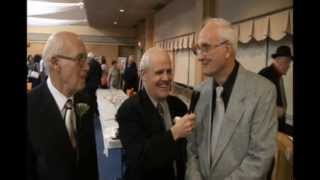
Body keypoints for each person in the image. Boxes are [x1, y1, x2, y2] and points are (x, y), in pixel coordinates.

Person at [186, 18, 277, 180]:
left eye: (205, 48)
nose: (200, 57)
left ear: (227, 50)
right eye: (198, 49)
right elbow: (192, 147)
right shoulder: (200, 91)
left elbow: (259, 159)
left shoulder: (263, 92)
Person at [27, 31, 99, 180]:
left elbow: (89, 162)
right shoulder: (30, 107)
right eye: (80, 59)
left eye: (86, 60)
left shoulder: (85, 102)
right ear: (55, 63)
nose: (87, 67)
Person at [116, 47, 196, 180]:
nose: (166, 78)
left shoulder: (179, 106)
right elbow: (139, 159)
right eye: (159, 72)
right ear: (143, 75)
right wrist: (174, 133)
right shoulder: (129, 110)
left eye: (169, 71)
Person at [259, 45, 293, 136]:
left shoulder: (278, 76)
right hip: (268, 130)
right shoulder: (265, 75)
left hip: (278, 127)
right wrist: (275, 110)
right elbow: (257, 105)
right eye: (287, 62)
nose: (289, 66)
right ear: (278, 60)